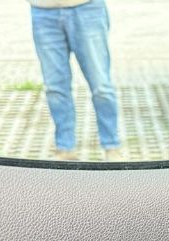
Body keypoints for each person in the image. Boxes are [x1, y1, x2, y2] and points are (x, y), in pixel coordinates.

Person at [28, 0, 123, 161]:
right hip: (43, 11)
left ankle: (111, 146)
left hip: (87, 8)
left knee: (101, 86)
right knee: (55, 88)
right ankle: (65, 148)